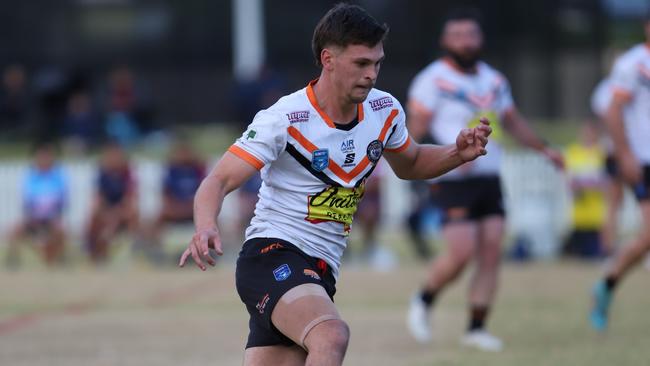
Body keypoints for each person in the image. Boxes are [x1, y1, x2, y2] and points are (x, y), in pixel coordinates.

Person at [178, 4, 492, 365]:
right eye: (361, 63)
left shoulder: (384, 111)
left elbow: (412, 163)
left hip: (321, 271)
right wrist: (204, 226)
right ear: (328, 59)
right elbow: (217, 180)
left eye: (377, 63)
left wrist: (456, 152)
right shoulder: (284, 119)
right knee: (331, 334)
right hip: (272, 256)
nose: (372, 74)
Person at [405, 8, 563, 352]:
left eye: (471, 34)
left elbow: (512, 122)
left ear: (480, 39)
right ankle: (424, 299)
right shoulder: (432, 80)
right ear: (445, 41)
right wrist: (441, 155)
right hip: (451, 176)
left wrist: (544, 149)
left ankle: (476, 327)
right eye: (457, 35)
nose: (465, 41)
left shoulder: (494, 81)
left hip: (489, 176)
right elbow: (414, 130)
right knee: (461, 253)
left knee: (491, 251)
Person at [590, 17, 650, 332]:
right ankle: (607, 284)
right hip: (643, 160)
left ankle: (607, 282)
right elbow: (612, 111)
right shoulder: (633, 65)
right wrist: (625, 154)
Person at [6, 142, 67, 267]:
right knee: (14, 230)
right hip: (34, 218)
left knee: (60, 231)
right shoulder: (31, 178)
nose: (43, 160)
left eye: (46, 157)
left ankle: (56, 259)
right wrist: (32, 218)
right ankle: (13, 262)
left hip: (52, 219)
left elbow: (61, 203)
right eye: (41, 157)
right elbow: (27, 203)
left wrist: (54, 217)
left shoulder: (58, 177)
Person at [144, 140, 205, 254]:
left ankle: (211, 248)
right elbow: (166, 195)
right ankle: (154, 249)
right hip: (176, 208)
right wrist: (176, 207)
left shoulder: (198, 170)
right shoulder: (172, 171)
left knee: (209, 217)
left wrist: (192, 206)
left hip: (194, 207)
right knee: (160, 217)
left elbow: (205, 193)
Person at [85, 141, 139, 264]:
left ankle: (131, 254)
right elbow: (99, 199)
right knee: (93, 218)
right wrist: (107, 214)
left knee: (132, 216)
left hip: (122, 211)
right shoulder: (103, 174)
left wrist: (116, 215)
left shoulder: (127, 174)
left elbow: (129, 199)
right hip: (107, 211)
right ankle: (94, 255)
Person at [562, 122, 607, 259]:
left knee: (594, 254)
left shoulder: (601, 152)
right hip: (578, 217)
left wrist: (586, 183)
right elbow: (569, 180)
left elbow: (606, 181)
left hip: (597, 217)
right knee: (578, 254)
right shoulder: (573, 151)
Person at [591, 78, 624, 256]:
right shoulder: (606, 89)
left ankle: (609, 247)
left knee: (615, 202)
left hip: (617, 151)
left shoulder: (603, 89)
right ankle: (607, 247)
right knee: (614, 201)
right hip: (617, 152)